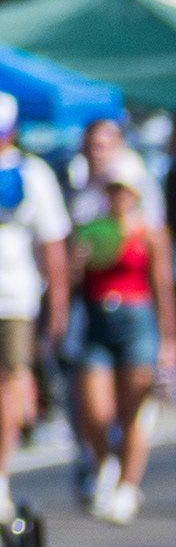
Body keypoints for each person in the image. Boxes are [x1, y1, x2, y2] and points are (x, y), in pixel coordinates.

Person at [63, 166, 173, 524]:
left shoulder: (149, 233)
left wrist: (169, 340)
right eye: (113, 190)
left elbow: (163, 287)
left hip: (137, 321)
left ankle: (128, 485)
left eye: (124, 190)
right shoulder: (93, 231)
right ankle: (106, 464)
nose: (119, 196)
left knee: (133, 411)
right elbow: (69, 284)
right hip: (98, 320)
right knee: (94, 410)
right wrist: (75, 264)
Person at [0, 99, 74, 487]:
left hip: (15, 299)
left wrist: (58, 304)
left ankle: (1, 476)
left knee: (11, 379)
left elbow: (53, 244)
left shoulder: (32, 174)